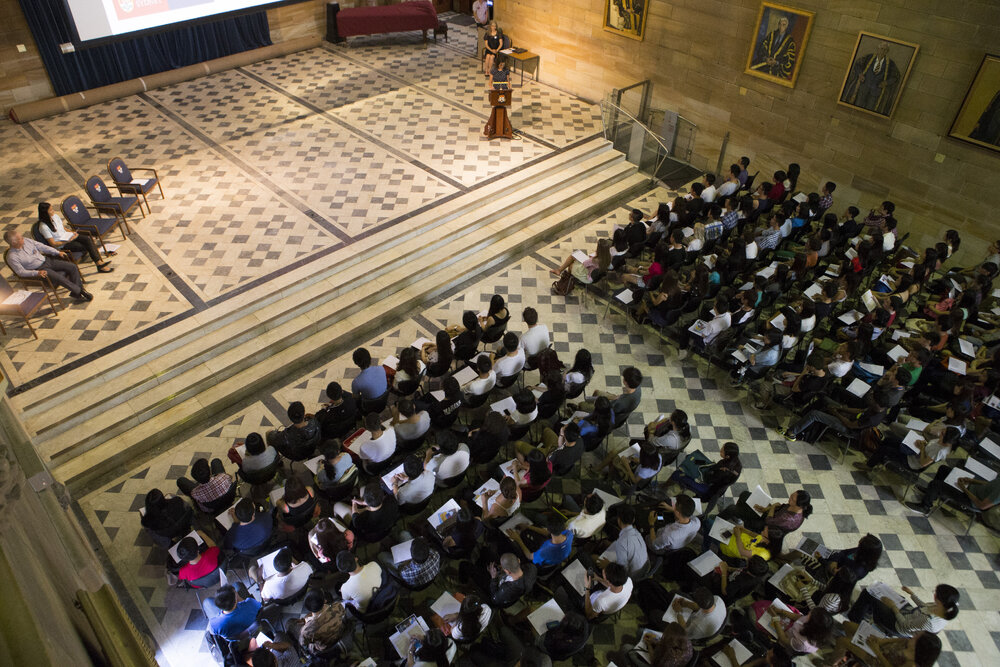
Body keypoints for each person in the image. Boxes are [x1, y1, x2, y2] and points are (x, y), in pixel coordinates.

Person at [4, 229, 91, 301]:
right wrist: (36, 273)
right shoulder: (12, 257)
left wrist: (57, 252)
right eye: (20, 238)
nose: (23, 238)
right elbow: (20, 272)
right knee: (59, 278)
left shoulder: (27, 241)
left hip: (47, 260)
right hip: (39, 270)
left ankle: (76, 292)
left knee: (72, 267)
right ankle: (81, 291)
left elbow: (42, 247)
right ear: (14, 242)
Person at [848, 583, 959, 635]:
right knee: (885, 596)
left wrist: (893, 607)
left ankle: (854, 619)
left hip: (898, 625)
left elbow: (904, 625)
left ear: (940, 602)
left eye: (936, 594)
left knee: (868, 593)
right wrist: (912, 594)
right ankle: (870, 610)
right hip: (909, 613)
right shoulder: (943, 608)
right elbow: (923, 606)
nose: (934, 595)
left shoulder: (928, 621)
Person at [36, 202, 112, 271]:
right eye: (51, 210)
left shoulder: (55, 216)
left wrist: (72, 233)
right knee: (85, 246)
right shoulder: (43, 227)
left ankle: (99, 262)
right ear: (45, 213)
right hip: (63, 244)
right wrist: (67, 241)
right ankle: (99, 264)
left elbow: (63, 228)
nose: (53, 211)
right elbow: (53, 243)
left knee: (87, 239)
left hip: (68, 236)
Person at [842, 40, 901, 115]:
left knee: (869, 110)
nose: (883, 51)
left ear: (887, 51)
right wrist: (860, 74)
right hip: (863, 88)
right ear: (878, 49)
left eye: (885, 50)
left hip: (876, 91)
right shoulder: (869, 57)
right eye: (882, 49)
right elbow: (857, 65)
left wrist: (886, 82)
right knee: (857, 107)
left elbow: (896, 76)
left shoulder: (890, 63)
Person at [285, 589, 349, 658]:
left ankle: (305, 654)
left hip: (323, 647)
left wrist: (306, 621)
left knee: (289, 623)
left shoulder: (306, 630)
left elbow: (303, 643)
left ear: (309, 608)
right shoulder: (338, 606)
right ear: (325, 600)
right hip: (339, 633)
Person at [507, 515, 573, 567]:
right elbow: (547, 533)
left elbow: (529, 556)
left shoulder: (544, 551)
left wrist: (518, 539)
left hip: (544, 563)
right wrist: (528, 527)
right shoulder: (569, 534)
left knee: (513, 543)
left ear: (547, 528)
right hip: (559, 557)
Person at [751, 13, 797, 80]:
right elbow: (763, 47)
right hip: (765, 61)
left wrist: (776, 62)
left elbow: (789, 58)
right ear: (778, 25)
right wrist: (765, 58)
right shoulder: (772, 35)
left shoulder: (790, 41)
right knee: (752, 68)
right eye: (780, 24)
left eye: (783, 25)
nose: (781, 27)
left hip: (777, 68)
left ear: (786, 26)